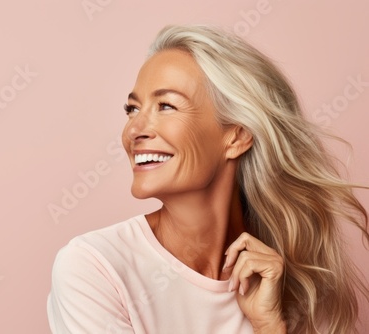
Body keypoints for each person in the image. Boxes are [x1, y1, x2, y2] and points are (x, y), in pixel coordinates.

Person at [47, 24, 369, 333]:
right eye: (132, 109)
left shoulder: (280, 280)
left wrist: (269, 326)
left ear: (237, 136)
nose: (134, 130)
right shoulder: (94, 268)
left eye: (166, 106)